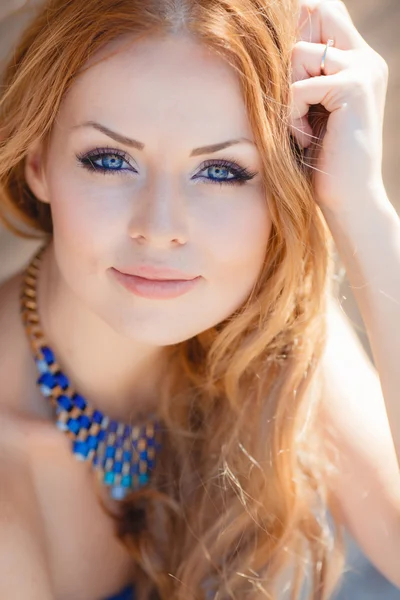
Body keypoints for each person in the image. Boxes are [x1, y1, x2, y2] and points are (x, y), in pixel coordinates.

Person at [0, 0, 399, 598]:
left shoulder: (263, 335)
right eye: (111, 160)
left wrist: (362, 209)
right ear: (38, 162)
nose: (160, 227)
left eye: (220, 171)